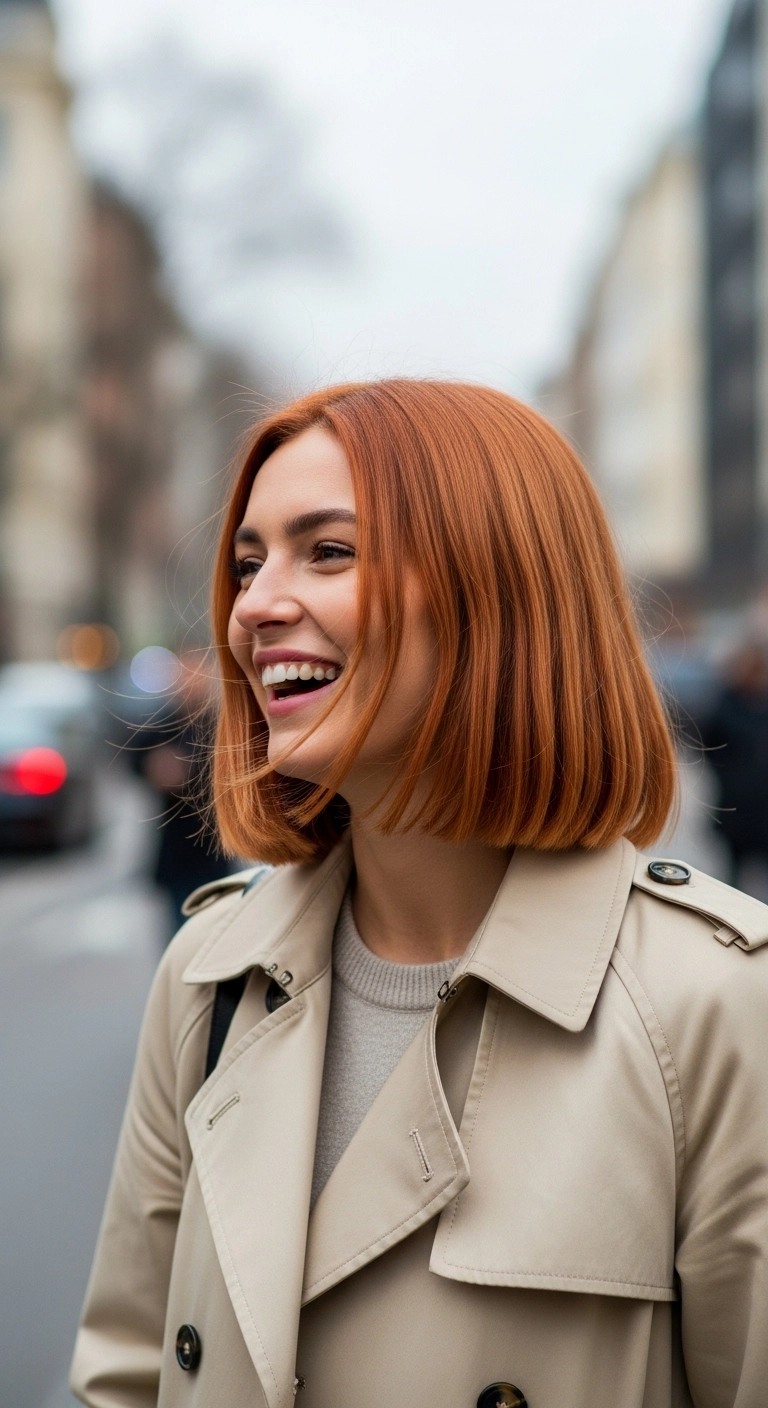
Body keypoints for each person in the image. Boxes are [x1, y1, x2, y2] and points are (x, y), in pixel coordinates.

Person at [70, 381, 768, 1408]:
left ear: (500, 593)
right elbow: (125, 1375)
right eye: (250, 561)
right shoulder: (210, 975)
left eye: (330, 551)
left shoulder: (718, 1004)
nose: (254, 605)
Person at [702, 640, 768, 892]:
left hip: (763, 806)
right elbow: (709, 746)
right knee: (732, 873)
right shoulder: (726, 705)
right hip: (736, 804)